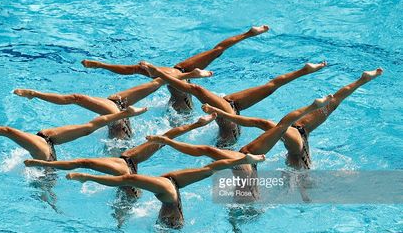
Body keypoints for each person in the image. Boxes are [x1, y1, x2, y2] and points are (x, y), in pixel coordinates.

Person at [23, 113, 217, 227]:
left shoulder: (124, 163)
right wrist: (196, 124)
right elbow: (167, 137)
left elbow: (84, 163)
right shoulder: (134, 156)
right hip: (141, 194)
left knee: (122, 222)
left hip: (129, 196)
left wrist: (48, 166)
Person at [146, 95, 334, 203]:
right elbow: (272, 123)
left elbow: (202, 150)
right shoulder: (249, 155)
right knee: (279, 127)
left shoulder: (237, 159)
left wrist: (167, 141)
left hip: (247, 200)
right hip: (258, 188)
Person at [199, 68, 383, 169]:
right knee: (333, 102)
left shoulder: (299, 167)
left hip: (300, 135)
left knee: (274, 124)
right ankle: (361, 80)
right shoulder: (301, 166)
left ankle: (361, 81)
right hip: (301, 134)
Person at [80, 26, 269, 113]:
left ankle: (248, 33)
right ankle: (247, 34)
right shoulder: (177, 98)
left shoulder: (171, 77)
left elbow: (135, 70)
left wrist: (102, 65)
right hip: (178, 82)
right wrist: (191, 75)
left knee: (145, 71)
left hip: (176, 72)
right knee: (215, 51)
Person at [140, 61, 327, 147]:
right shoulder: (230, 108)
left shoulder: (226, 140)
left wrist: (158, 72)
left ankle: (159, 73)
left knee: (196, 89)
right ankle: (304, 70)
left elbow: (195, 89)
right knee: (270, 86)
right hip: (232, 115)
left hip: (228, 131)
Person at [66, 153, 266, 229]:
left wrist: (87, 177)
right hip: (174, 201)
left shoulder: (162, 188)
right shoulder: (171, 182)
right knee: (209, 170)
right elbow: (210, 168)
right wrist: (244, 160)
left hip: (170, 220)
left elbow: (127, 179)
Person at [13, 68, 212, 140]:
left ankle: (36, 94)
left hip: (119, 119)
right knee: (157, 82)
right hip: (118, 112)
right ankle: (35, 94)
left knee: (76, 99)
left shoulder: (119, 147)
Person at [0, 106, 147, 162]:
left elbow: (6, 131)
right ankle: (125, 113)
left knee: (8, 131)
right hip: (47, 146)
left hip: (46, 151)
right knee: (88, 127)